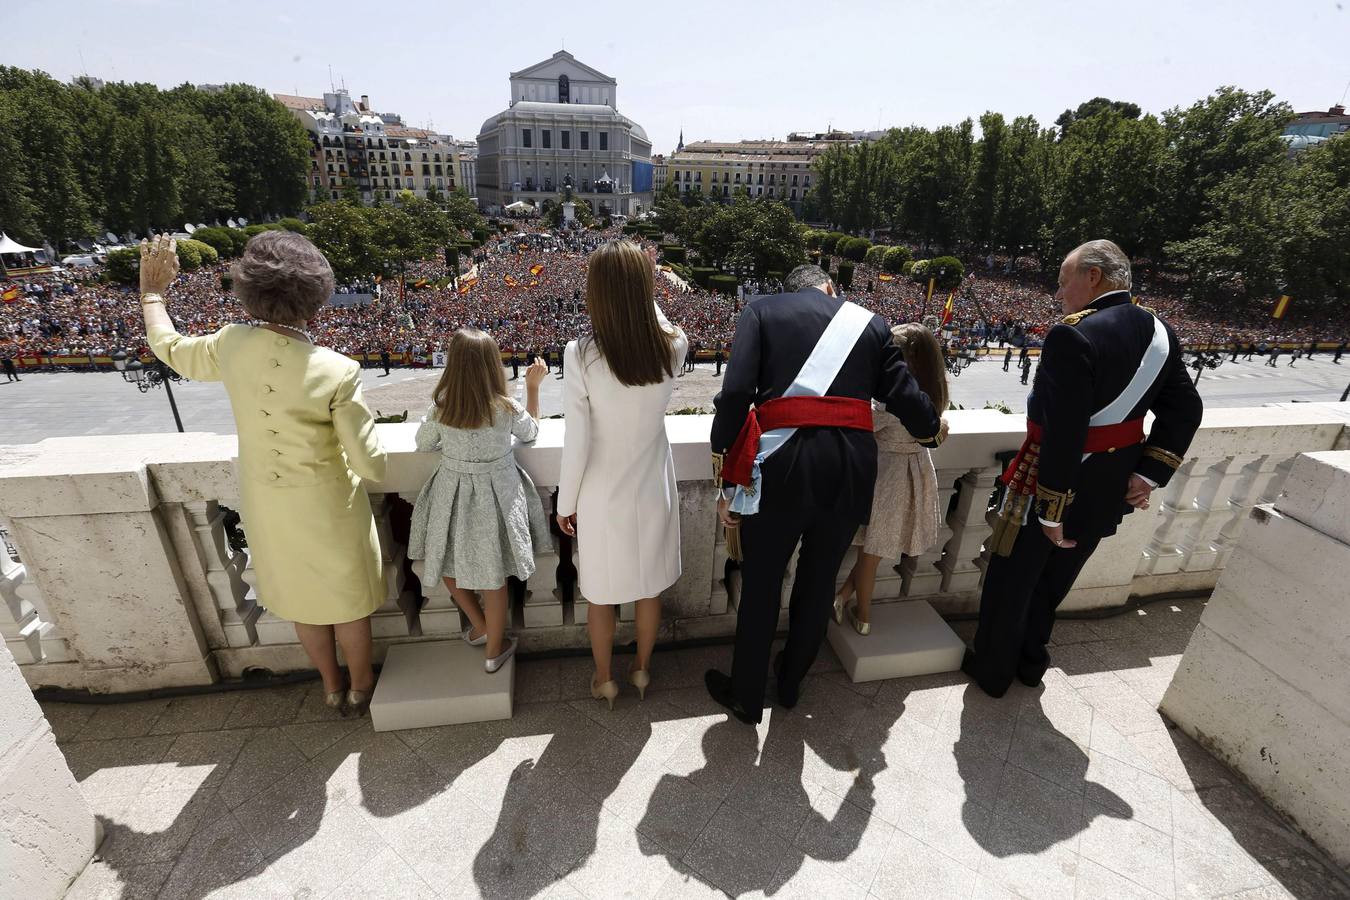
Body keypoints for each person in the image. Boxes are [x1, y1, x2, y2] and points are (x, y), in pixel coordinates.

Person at [140, 232, 388, 716]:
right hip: (327, 506)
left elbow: (168, 346)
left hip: (267, 506)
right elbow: (371, 463)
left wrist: (153, 294)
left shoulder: (232, 343)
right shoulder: (337, 369)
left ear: (249, 291)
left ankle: (330, 686)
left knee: (303, 603)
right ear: (317, 295)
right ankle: (360, 688)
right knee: (347, 605)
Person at [704, 264, 944, 724]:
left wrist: (725, 471)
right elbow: (908, 397)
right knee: (818, 584)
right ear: (830, 289)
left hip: (780, 470)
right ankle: (792, 683)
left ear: (787, 290)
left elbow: (735, 394)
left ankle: (747, 695)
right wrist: (931, 431)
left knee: (761, 586)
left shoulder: (760, 312)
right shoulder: (869, 323)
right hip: (850, 470)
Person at [964, 240, 1202, 698]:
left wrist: (1051, 510)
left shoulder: (1072, 334)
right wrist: (1148, 474)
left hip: (1053, 482)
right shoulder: (1159, 331)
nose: (1058, 294)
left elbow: (1064, 431)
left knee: (1012, 581)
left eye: (1063, 280)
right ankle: (1031, 663)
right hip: (1110, 485)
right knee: (1055, 584)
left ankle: (993, 671)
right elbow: (1186, 410)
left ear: (1093, 277)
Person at [557, 240, 687, 710]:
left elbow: (577, 441)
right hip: (651, 484)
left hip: (601, 490)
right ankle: (642, 669)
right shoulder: (674, 345)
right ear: (645, 289)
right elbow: (661, 321)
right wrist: (638, 287)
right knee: (648, 588)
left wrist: (564, 502)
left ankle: (604, 677)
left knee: (602, 594)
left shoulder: (581, 354)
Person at [408, 332, 551, 674]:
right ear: (493, 364)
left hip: (453, 493)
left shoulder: (443, 406)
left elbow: (423, 443)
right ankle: (493, 648)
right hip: (497, 494)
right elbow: (531, 434)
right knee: (495, 577)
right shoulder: (505, 406)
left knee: (444, 561)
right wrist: (533, 389)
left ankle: (481, 624)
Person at [834, 323, 948, 634]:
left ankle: (864, 615)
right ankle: (844, 596)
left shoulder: (890, 400)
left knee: (871, 552)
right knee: (879, 548)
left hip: (886, 476)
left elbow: (857, 424)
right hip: (915, 471)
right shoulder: (932, 394)